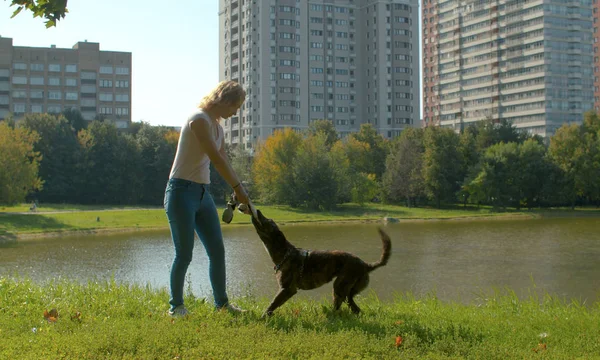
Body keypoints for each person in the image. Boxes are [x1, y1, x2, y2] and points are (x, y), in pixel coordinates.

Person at [164, 80, 251, 316]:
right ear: (224, 100)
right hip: (181, 192)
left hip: (203, 194)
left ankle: (222, 306)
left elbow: (224, 159)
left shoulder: (217, 128)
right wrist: (238, 187)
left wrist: (237, 189)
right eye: (236, 106)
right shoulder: (199, 119)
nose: (235, 112)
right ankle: (176, 307)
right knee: (184, 254)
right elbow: (215, 158)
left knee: (217, 251)